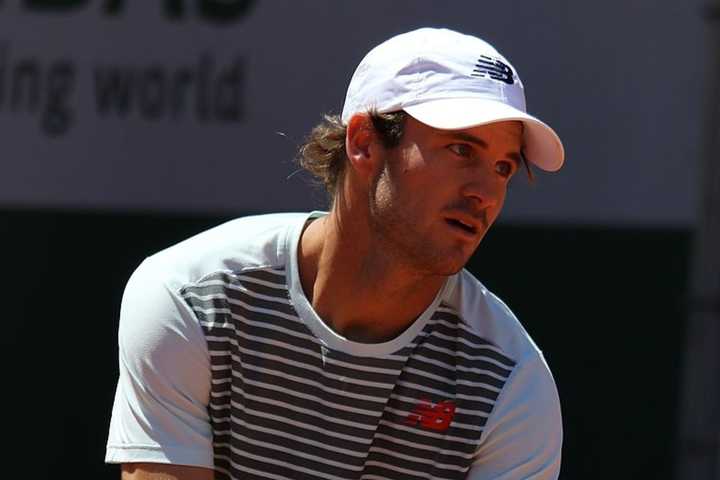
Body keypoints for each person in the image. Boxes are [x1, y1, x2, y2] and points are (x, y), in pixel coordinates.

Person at [106, 27, 565, 480]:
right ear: (364, 142)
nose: (486, 193)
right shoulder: (191, 297)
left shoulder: (513, 384)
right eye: (462, 149)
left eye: (504, 167)